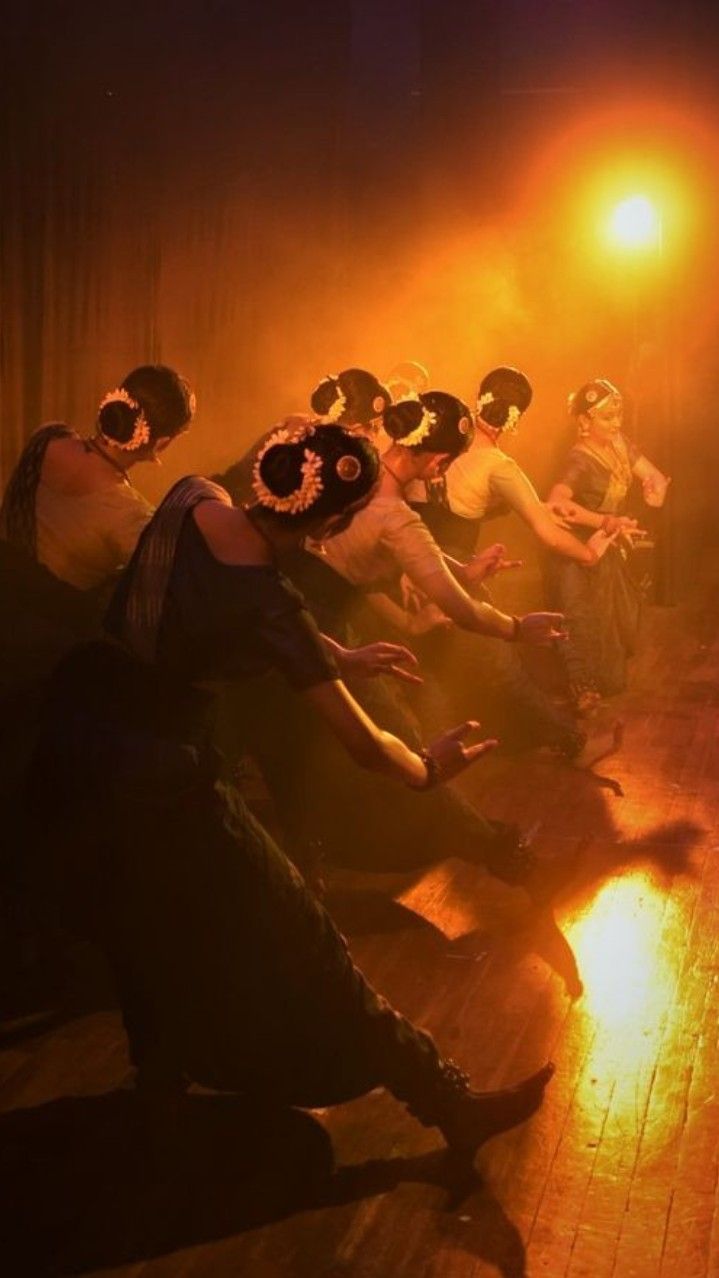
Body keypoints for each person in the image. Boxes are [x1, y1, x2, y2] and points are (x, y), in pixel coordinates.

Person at [25, 421, 553, 1154]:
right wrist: (426, 769)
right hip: (161, 778)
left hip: (80, 733)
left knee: (136, 922)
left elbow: (229, 609)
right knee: (307, 939)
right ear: (329, 524)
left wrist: (338, 652)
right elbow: (368, 746)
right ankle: (446, 1102)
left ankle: (156, 1086)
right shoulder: (270, 603)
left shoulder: (188, 496)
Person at [314, 391, 588, 760]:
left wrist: (461, 569)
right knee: (387, 748)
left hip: (301, 607)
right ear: (441, 461)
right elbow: (462, 610)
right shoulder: (397, 518)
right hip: (329, 628)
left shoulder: (355, 465)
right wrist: (519, 627)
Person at [545, 377, 669, 713]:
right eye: (607, 418)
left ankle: (593, 690)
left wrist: (655, 491)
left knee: (617, 626)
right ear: (585, 422)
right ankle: (580, 690)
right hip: (575, 548)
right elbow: (557, 504)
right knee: (578, 619)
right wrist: (605, 522)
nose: (616, 423)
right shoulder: (579, 460)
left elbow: (653, 476)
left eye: (618, 416)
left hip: (607, 549)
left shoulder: (619, 444)